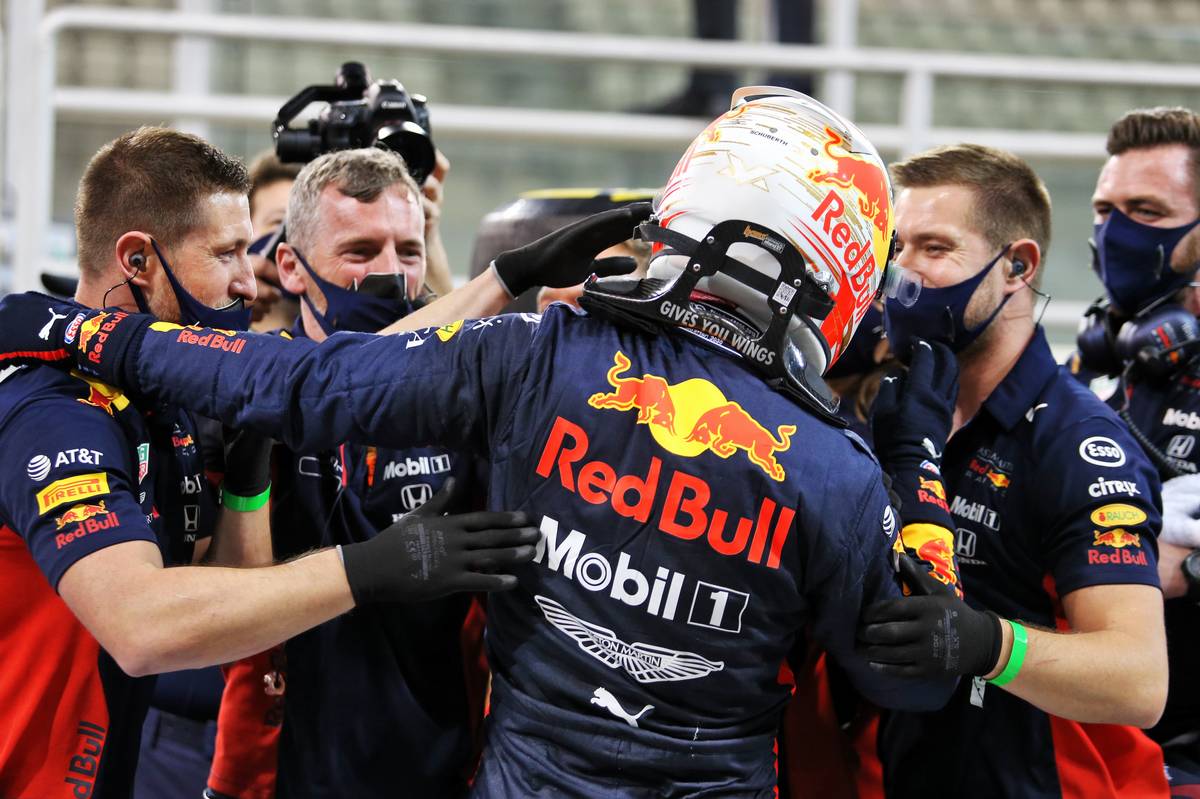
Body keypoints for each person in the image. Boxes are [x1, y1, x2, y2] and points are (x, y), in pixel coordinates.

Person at [0, 88, 964, 796]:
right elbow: (905, 679)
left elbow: (296, 383)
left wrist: (82, 330)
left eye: (405, 247)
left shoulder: (541, 355)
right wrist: (917, 483)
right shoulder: (842, 469)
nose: (247, 280)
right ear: (836, 268)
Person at [0, 127, 539, 799]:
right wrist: (371, 567)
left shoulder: (160, 404)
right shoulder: (49, 412)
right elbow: (142, 625)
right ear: (137, 260)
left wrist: (249, 481)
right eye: (226, 252)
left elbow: (343, 376)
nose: (243, 281)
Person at [861, 143, 1170, 797]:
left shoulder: (1079, 442)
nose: (905, 274)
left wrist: (991, 645)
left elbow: (1141, 679)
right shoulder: (891, 407)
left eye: (935, 248)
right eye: (898, 249)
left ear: (1016, 266)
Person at [265, 147, 489, 798]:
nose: (391, 275)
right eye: (361, 252)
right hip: (277, 767)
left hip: (434, 768)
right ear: (290, 266)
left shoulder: (466, 402)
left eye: (408, 252)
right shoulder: (242, 397)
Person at [1072, 106, 1200, 783]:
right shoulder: (1094, 364)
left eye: (1146, 210)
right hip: (1093, 732)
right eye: (1104, 208)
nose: (1114, 231)